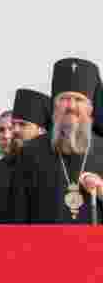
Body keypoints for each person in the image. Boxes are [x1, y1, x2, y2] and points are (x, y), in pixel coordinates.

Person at [11, 59, 103, 224]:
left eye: (79, 99)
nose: (71, 106)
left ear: (91, 108)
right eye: (64, 98)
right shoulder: (30, 153)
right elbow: (19, 217)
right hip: (43, 248)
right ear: (55, 105)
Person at [0, 89, 49, 223]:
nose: (15, 131)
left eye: (23, 125)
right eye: (14, 124)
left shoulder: (57, 170)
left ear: (41, 131)